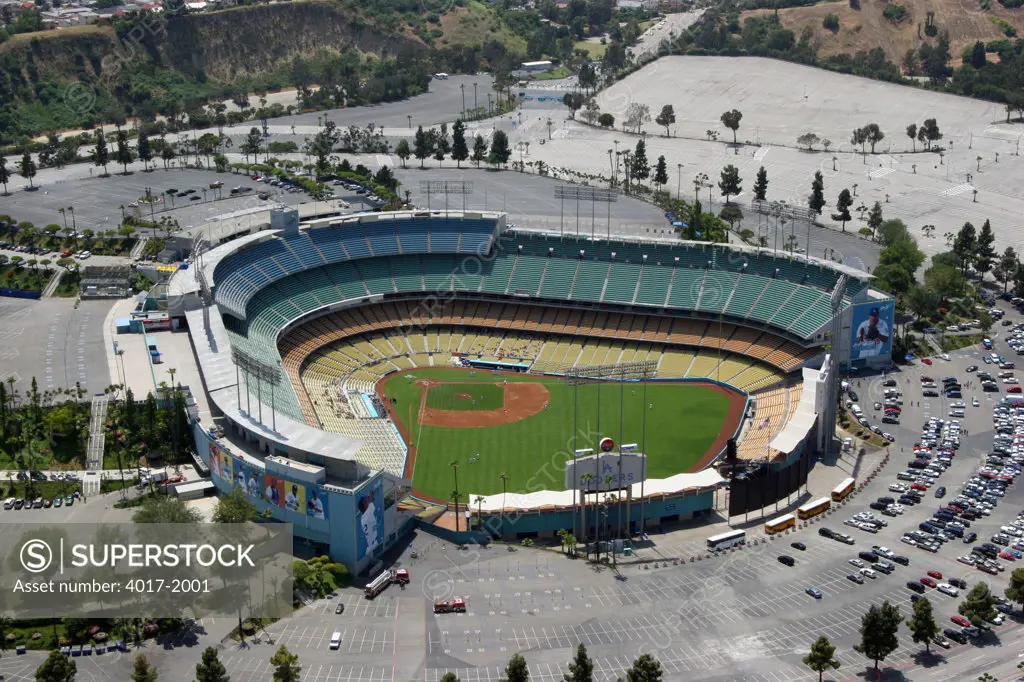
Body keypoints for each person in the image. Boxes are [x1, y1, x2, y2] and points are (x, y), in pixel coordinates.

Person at [358, 491, 380, 556]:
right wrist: (371, 495)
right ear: (365, 506)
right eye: (366, 502)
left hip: (371, 545)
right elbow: (371, 498)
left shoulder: (364, 517)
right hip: (373, 545)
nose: (367, 502)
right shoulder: (368, 514)